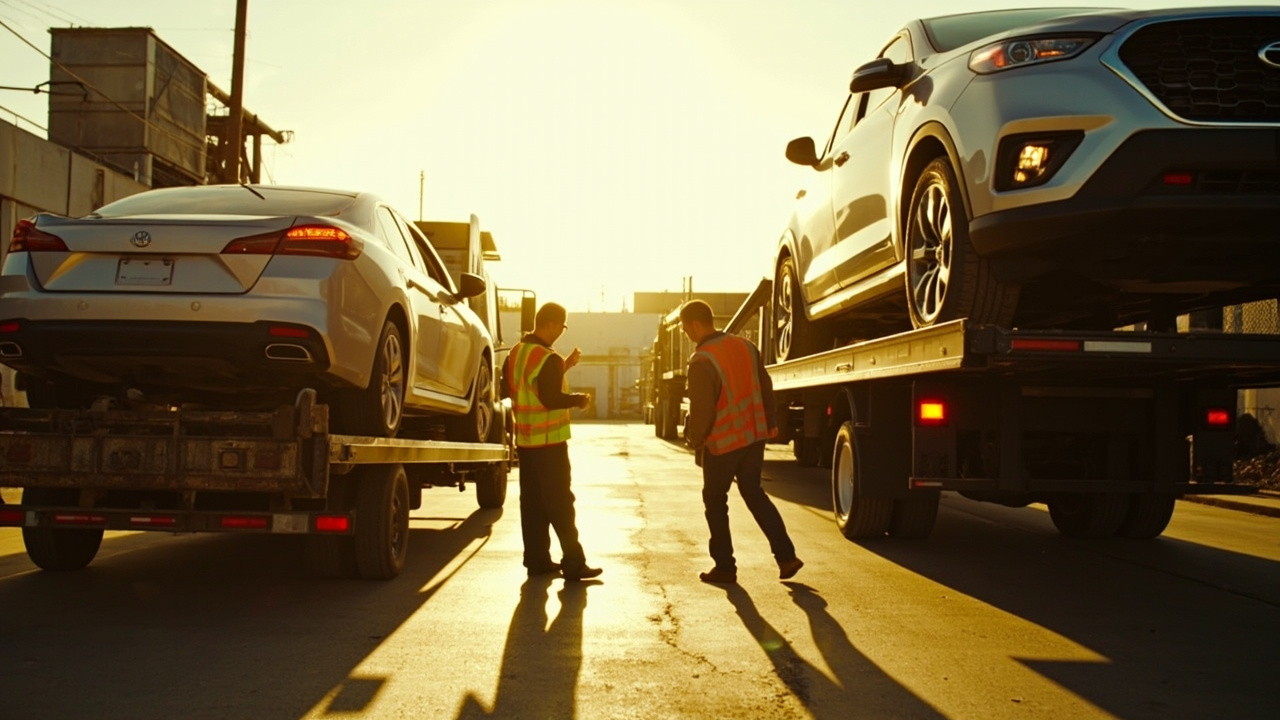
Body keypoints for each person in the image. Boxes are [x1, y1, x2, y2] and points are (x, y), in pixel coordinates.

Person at [679, 299, 803, 585]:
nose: (687, 335)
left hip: (723, 441)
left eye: (686, 330)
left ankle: (725, 567)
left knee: (715, 500)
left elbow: (702, 408)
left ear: (695, 325)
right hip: (754, 435)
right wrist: (771, 423)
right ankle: (786, 557)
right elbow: (765, 385)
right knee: (754, 493)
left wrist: (695, 439)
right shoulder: (746, 346)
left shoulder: (702, 360)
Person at [502, 302, 603, 581]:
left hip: (526, 441)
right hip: (550, 444)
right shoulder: (548, 357)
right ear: (552, 324)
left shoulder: (516, 353)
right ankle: (574, 562)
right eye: (562, 326)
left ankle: (536, 560)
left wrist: (564, 367)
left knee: (532, 503)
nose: (561, 332)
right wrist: (578, 400)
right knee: (561, 502)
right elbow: (550, 398)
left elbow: (523, 389)